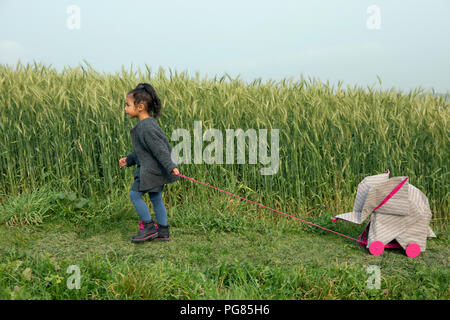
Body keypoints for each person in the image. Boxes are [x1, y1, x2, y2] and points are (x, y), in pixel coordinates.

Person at [119, 83, 180, 243]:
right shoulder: (148, 124)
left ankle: (148, 227)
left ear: (140, 107)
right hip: (155, 171)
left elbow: (160, 150)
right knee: (155, 198)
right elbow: (145, 151)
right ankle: (163, 230)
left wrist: (171, 166)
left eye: (127, 105)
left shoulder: (146, 128)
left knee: (134, 195)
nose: (125, 108)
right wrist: (129, 159)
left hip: (150, 172)